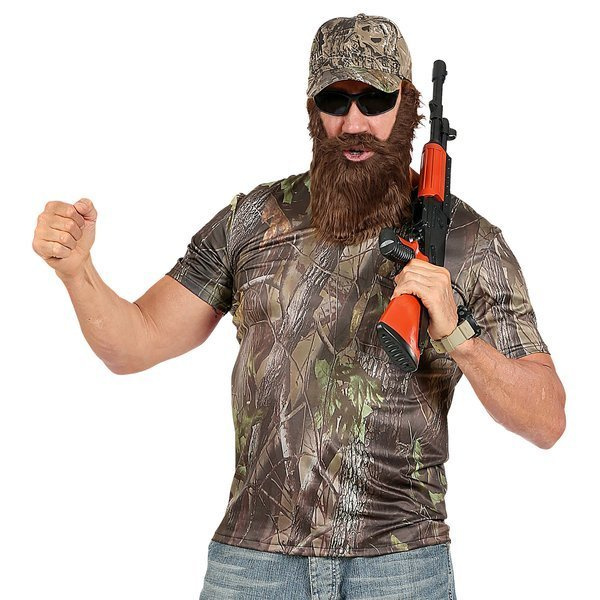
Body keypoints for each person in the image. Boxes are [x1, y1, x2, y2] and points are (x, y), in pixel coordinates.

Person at [32, 13, 566, 600]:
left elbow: (547, 421)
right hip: (253, 565)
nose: (354, 122)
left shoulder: (468, 240)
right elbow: (135, 342)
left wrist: (458, 335)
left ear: (408, 106)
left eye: (375, 99)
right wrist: (77, 271)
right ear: (313, 110)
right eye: (336, 100)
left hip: (401, 568)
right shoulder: (254, 219)